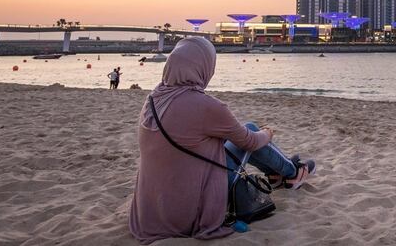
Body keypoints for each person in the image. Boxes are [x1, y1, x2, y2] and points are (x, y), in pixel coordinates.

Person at [129, 37, 314, 243]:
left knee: (240, 135)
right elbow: (250, 142)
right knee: (252, 130)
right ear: (206, 66)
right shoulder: (205, 105)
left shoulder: (154, 98)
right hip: (192, 207)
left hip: (153, 209)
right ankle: (292, 173)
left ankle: (276, 174)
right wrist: (268, 132)